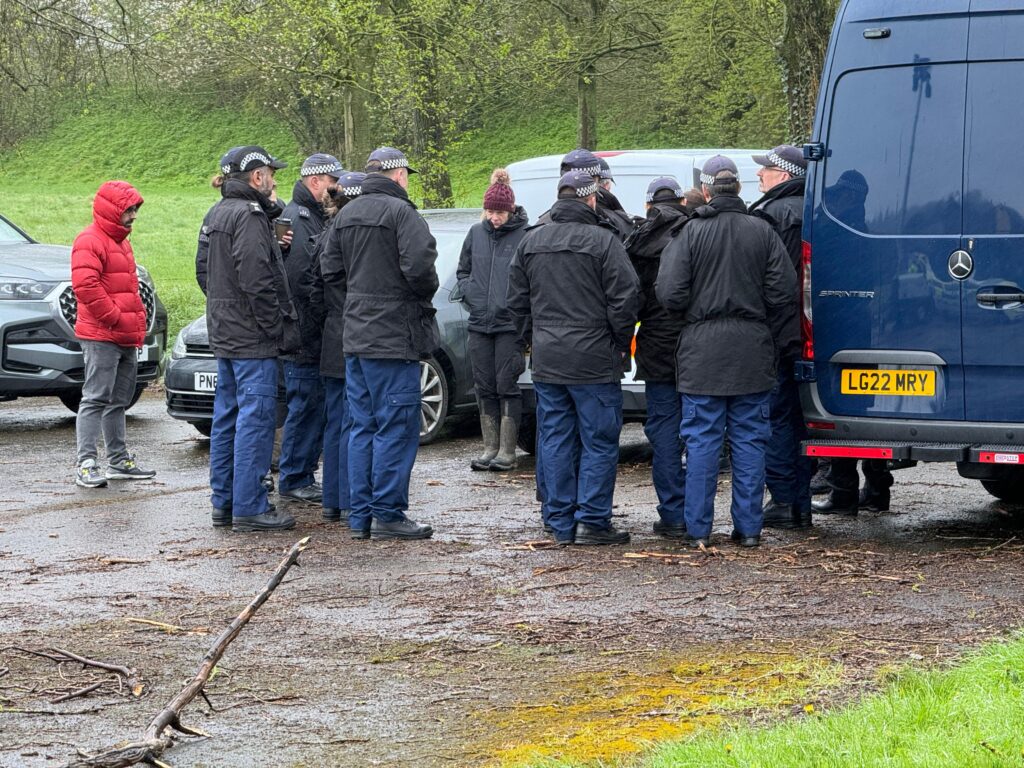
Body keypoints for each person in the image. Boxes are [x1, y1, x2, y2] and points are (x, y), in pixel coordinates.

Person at [656, 156, 797, 548]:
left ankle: (698, 530)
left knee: (701, 441)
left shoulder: (690, 233)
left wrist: (694, 315)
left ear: (706, 191)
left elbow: (669, 292)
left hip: (702, 351)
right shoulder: (762, 231)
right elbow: (783, 291)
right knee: (751, 441)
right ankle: (749, 530)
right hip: (752, 348)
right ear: (739, 190)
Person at [508, 170, 640, 545]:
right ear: (592, 199)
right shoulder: (604, 241)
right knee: (599, 440)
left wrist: (530, 341)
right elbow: (625, 297)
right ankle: (592, 520)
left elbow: (515, 301)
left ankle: (559, 518)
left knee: (555, 438)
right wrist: (619, 341)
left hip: (549, 359)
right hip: (594, 358)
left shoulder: (532, 241)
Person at [326, 147, 439, 540]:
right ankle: (388, 512)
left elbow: (330, 270)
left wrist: (359, 301)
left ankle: (360, 516)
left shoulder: (347, 214)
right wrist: (414, 301)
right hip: (393, 338)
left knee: (361, 426)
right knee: (395, 426)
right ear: (398, 175)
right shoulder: (402, 214)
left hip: (355, 336)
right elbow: (421, 269)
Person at [202, 145, 299, 532]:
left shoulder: (217, 212)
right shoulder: (250, 216)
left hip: (225, 332)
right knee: (255, 421)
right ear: (257, 177)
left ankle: (224, 503)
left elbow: (204, 272)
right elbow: (257, 279)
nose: (275, 180)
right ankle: (250, 505)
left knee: (226, 418)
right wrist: (273, 326)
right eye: (271, 173)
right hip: (251, 337)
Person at [71, 181, 155, 487]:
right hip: (101, 336)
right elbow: (86, 287)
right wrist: (115, 318)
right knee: (95, 398)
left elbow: (127, 288)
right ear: (112, 210)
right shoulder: (89, 240)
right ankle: (86, 464)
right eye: (128, 209)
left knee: (118, 401)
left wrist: (134, 323)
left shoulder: (121, 241)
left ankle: (118, 462)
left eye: (135, 209)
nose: (133, 215)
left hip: (124, 336)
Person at [749, 145, 813, 530]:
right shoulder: (818, 209)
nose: (759, 175)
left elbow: (765, 281)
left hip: (777, 334)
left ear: (785, 174)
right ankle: (801, 500)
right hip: (810, 331)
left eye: (766, 169)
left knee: (775, 418)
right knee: (804, 421)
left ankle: (785, 501)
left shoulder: (770, 216)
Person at [623, 176, 690, 538]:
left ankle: (673, 513)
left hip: (654, 346)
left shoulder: (637, 242)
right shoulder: (695, 232)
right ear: (681, 202)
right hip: (695, 346)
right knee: (700, 432)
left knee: (663, 430)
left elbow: (629, 298)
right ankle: (697, 513)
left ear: (649, 205)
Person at [276, 153, 345, 506]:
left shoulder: (310, 217)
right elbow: (303, 282)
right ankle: (295, 476)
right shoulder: (299, 220)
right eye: (334, 182)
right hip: (303, 334)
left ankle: (300, 473)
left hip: (307, 332)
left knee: (310, 405)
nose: (338, 189)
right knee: (305, 406)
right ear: (316, 182)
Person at [456, 169, 530, 472]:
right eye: (489, 211)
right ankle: (489, 447)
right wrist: (469, 293)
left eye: (498, 212)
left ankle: (507, 450)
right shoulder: (475, 233)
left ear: (509, 210)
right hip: (479, 323)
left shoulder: (524, 236)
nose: (493, 217)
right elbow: (463, 271)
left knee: (506, 384)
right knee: (483, 384)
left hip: (508, 326)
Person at [308, 171, 365, 529]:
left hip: (331, 334)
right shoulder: (352, 239)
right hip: (353, 334)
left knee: (336, 421)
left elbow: (313, 291)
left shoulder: (323, 236)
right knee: (352, 420)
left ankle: (333, 499)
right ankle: (347, 498)